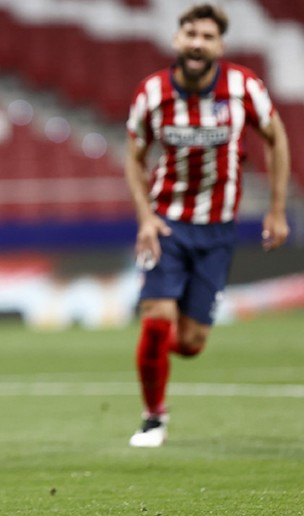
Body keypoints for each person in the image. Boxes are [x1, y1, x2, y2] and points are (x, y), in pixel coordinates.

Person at [124, 3, 290, 448]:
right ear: (177, 40)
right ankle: (153, 418)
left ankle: (162, 323)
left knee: (192, 342)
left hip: (218, 230)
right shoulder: (152, 93)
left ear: (219, 46)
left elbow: (277, 138)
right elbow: (133, 158)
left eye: (207, 36)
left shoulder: (244, 87)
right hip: (166, 224)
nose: (197, 43)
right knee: (157, 322)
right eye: (190, 34)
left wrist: (275, 210)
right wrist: (144, 217)